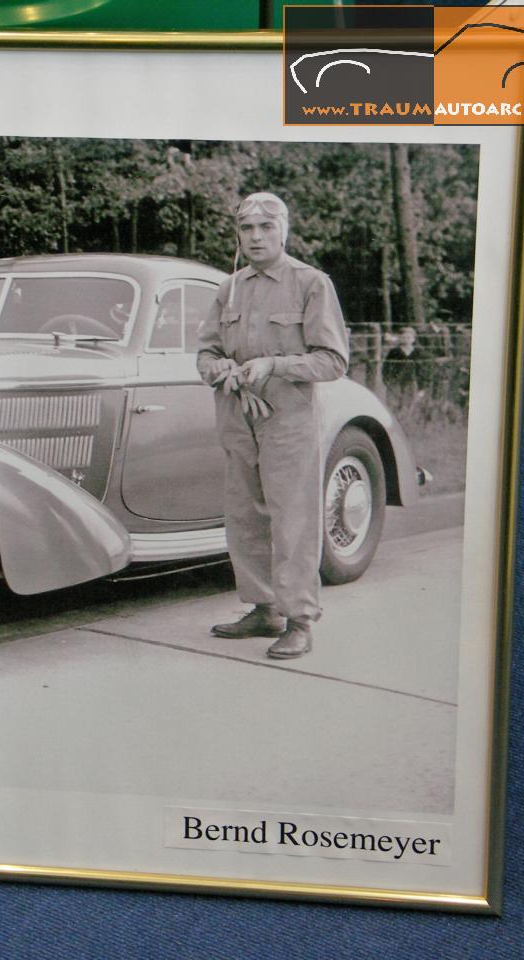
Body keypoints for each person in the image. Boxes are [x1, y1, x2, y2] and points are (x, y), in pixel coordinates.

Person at [194, 192, 349, 660]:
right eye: (247, 229)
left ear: (285, 231)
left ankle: (299, 619)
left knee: (293, 520)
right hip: (237, 419)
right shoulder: (230, 288)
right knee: (245, 517)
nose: (256, 237)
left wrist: (274, 365)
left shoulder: (311, 283)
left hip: (289, 421)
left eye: (266, 228)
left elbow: (334, 361)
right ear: (238, 235)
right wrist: (217, 370)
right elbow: (205, 351)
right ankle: (264, 610)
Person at [382, 325, 424, 412]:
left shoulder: (417, 352)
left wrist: (421, 386)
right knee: (394, 403)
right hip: (396, 381)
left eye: (409, 337)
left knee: (410, 402)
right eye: (403, 337)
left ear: (413, 339)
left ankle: (407, 418)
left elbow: (421, 369)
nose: (406, 339)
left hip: (411, 381)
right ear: (399, 338)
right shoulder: (394, 352)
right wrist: (387, 380)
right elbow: (386, 367)